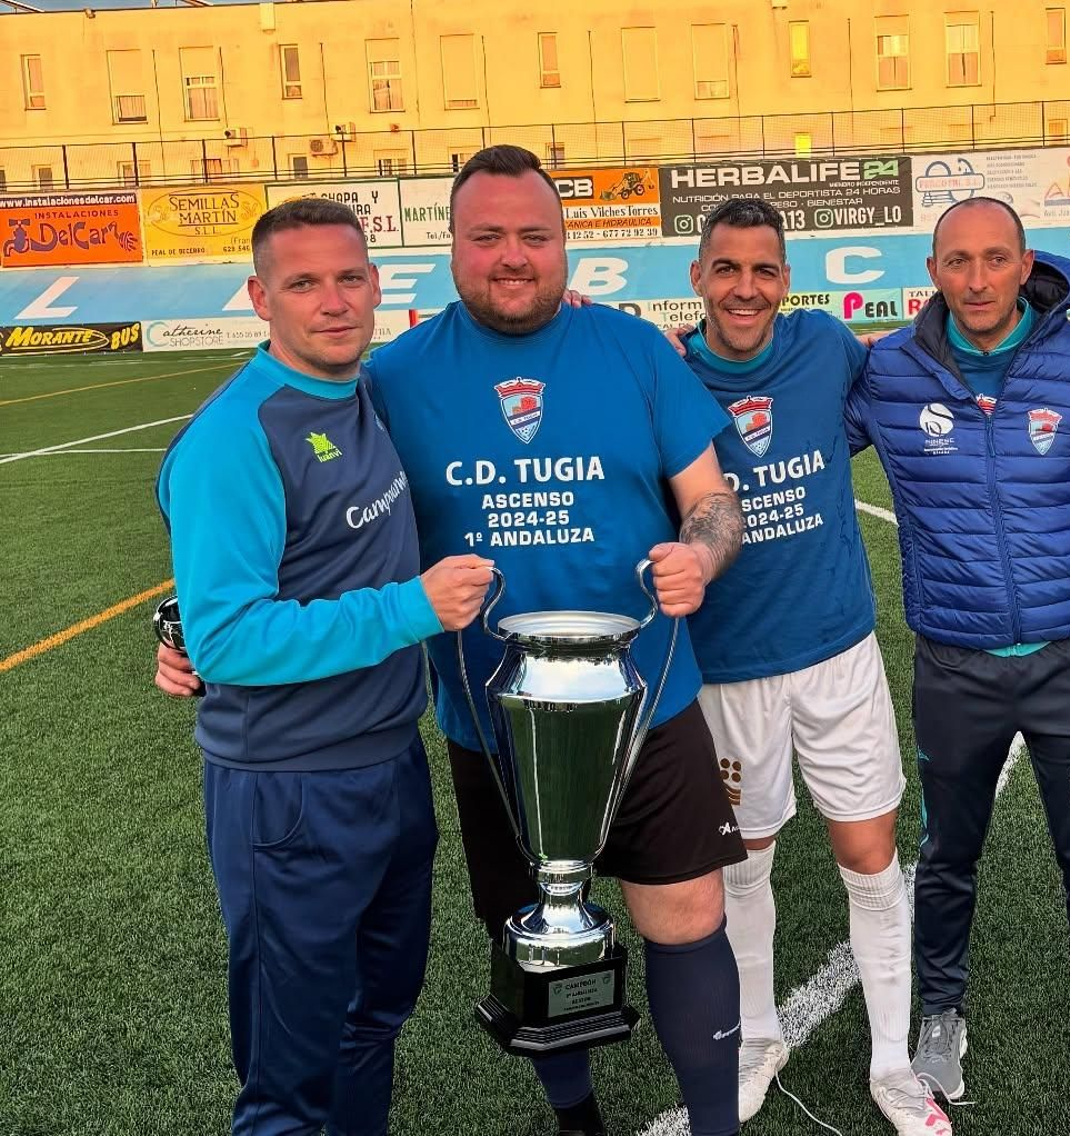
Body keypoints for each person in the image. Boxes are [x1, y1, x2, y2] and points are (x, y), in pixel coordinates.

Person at [160, 145, 749, 1136]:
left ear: (566, 244)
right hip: (494, 716)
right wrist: (184, 631)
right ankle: (579, 1121)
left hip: (647, 697)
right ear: (450, 250)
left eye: (533, 235)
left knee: (687, 917)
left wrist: (701, 553)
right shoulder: (388, 376)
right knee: (533, 936)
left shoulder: (639, 351)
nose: (511, 255)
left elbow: (715, 503)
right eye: (487, 237)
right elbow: (249, 499)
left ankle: (716, 1123)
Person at [154, 197, 494, 1135]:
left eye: (350, 278)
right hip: (289, 791)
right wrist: (412, 607)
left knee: (373, 1016)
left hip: (389, 761)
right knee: (285, 1081)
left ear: (379, 287)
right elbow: (229, 638)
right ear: (261, 297)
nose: (333, 301)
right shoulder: (237, 435)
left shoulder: (361, 391)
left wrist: (174, 614)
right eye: (304, 283)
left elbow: (209, 581)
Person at [844, 196, 1070, 1136]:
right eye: (957, 261)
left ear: (1026, 266)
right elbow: (778, 418)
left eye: (994, 260)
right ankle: (939, 1017)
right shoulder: (887, 372)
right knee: (948, 854)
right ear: (931, 271)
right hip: (955, 662)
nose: (976, 280)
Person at [672, 198, 949, 1136]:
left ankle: (892, 1065)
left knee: (869, 859)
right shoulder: (665, 376)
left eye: (764, 269)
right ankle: (757, 1038)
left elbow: (899, 393)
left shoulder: (828, 348)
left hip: (836, 655)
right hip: (724, 669)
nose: (745, 286)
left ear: (786, 280)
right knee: (743, 863)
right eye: (727, 268)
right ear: (699, 277)